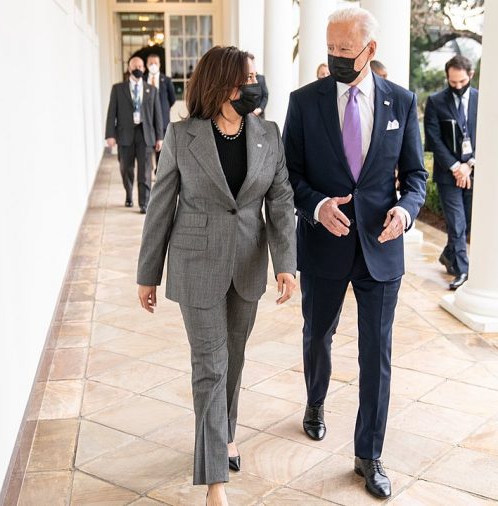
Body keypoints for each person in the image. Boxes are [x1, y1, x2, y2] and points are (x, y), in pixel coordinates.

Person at [136, 46, 297, 506]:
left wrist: (286, 263)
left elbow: (281, 201)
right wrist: (148, 272)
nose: (253, 85)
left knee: (235, 356)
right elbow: (160, 205)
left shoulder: (267, 132)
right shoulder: (183, 135)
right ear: (221, 84)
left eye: (254, 77)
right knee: (209, 365)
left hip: (248, 264)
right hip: (196, 263)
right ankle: (214, 483)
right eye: (245, 78)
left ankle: (224, 435)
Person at [282, 6, 428, 499]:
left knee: (377, 355)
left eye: (346, 50)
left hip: (381, 251)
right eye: (331, 49)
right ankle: (316, 402)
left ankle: (369, 455)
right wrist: (317, 205)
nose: (337, 58)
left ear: (370, 50)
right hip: (324, 245)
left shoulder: (402, 103)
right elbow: (289, 176)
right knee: (317, 334)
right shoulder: (303, 103)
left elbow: (415, 178)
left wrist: (405, 213)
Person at [423, 55, 478, 290]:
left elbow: (489, 135)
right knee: (456, 224)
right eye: (452, 82)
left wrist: (469, 165)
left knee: (467, 223)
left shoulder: (481, 100)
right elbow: (433, 139)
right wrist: (456, 168)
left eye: (461, 81)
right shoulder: (435, 101)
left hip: (474, 171)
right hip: (448, 174)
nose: (457, 86)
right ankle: (463, 271)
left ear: (471, 75)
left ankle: (449, 254)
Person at [105, 55, 163, 213]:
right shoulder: (118, 89)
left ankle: (144, 202)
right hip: (125, 134)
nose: (137, 69)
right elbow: (112, 113)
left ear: (143, 69)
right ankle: (129, 194)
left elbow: (157, 115)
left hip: (145, 135)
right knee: (126, 168)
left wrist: (160, 137)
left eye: (140, 66)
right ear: (129, 69)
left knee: (145, 170)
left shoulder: (152, 90)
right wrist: (110, 134)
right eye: (134, 66)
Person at [146, 53, 178, 166]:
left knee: (162, 148)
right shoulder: (143, 79)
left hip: (163, 120)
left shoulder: (166, 80)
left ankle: (158, 173)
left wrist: (163, 109)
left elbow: (172, 98)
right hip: (147, 120)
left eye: (155, 63)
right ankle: (148, 171)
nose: (153, 65)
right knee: (147, 148)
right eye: (151, 63)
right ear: (147, 64)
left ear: (159, 64)